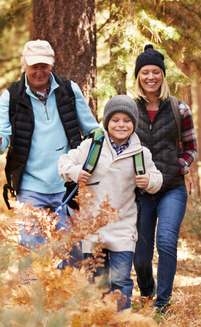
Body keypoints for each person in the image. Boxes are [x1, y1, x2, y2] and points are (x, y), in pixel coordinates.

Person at [0, 40, 100, 249]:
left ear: (51, 65)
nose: (39, 72)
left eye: (44, 66)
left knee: (72, 249)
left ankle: (70, 284)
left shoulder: (69, 90)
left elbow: (92, 130)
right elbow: (0, 140)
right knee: (31, 250)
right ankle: (32, 284)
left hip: (67, 185)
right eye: (34, 67)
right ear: (25, 66)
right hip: (29, 186)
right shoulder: (11, 96)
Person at [58, 96, 162, 311]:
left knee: (121, 279)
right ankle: (100, 323)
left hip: (123, 226)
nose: (121, 125)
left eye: (127, 120)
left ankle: (122, 323)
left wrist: (150, 181)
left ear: (134, 123)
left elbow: (157, 179)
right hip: (92, 226)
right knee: (96, 280)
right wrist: (76, 172)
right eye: (115, 120)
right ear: (106, 122)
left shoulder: (141, 154)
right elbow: (63, 162)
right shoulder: (92, 146)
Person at [130, 44, 198, 312]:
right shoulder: (129, 109)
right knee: (141, 257)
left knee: (167, 241)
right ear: (138, 76)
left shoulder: (180, 109)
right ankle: (147, 290)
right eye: (145, 72)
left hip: (171, 189)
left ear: (163, 76)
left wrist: (179, 166)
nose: (151, 77)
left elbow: (191, 147)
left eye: (156, 72)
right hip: (141, 192)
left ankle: (162, 303)